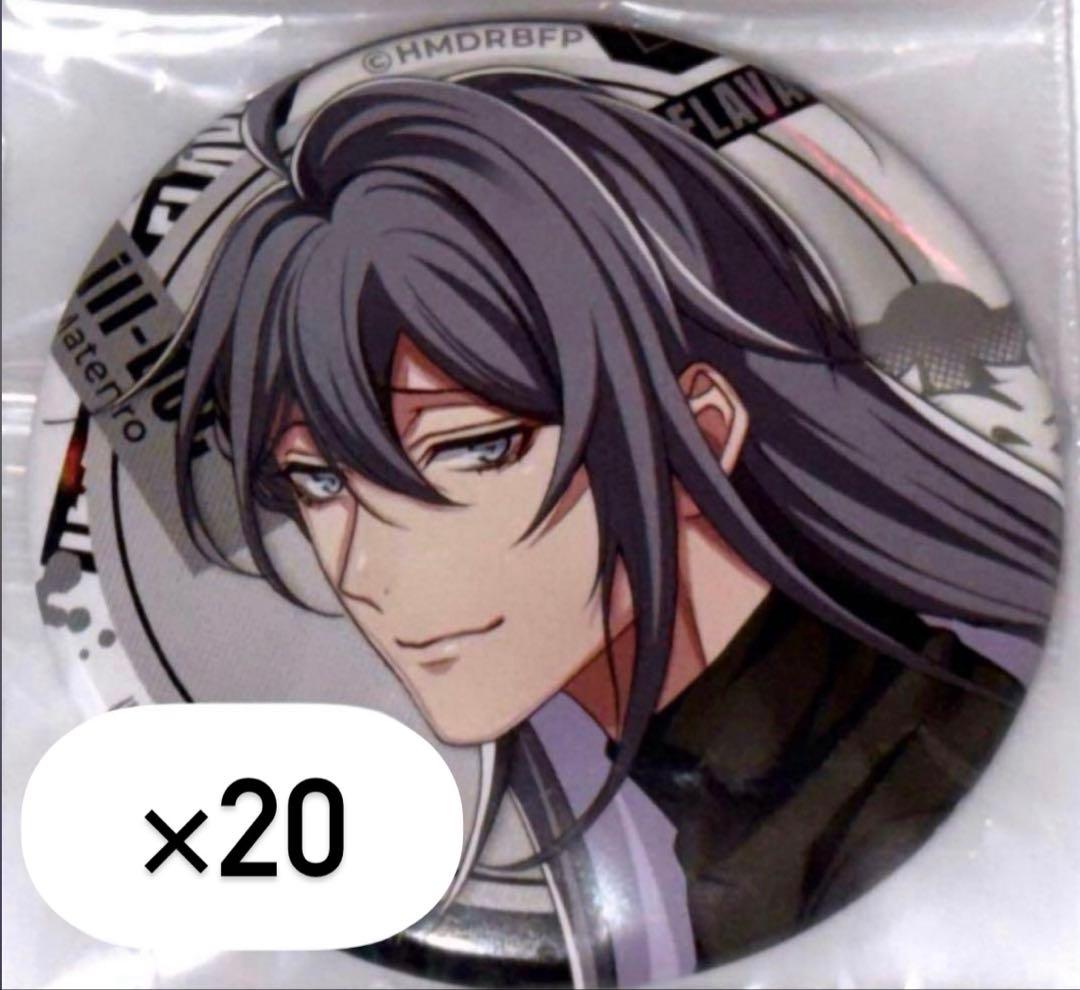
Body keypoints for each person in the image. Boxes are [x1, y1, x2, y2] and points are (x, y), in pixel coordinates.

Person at [173, 71, 1061, 987]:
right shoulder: (751, 806)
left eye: (477, 448)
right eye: (318, 479)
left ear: (702, 430)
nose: (365, 570)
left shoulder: (897, 798)